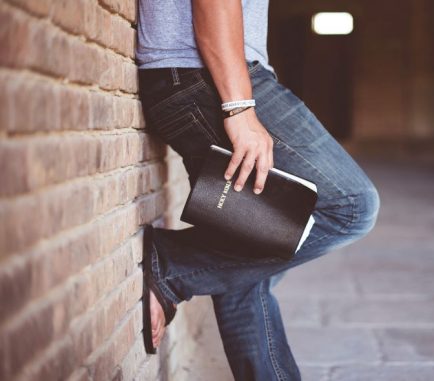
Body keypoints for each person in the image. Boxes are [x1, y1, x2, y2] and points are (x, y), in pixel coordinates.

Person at [135, 0, 380, 379]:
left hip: (193, 76)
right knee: (350, 207)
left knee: (245, 261)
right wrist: (239, 108)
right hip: (205, 78)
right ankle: (173, 264)